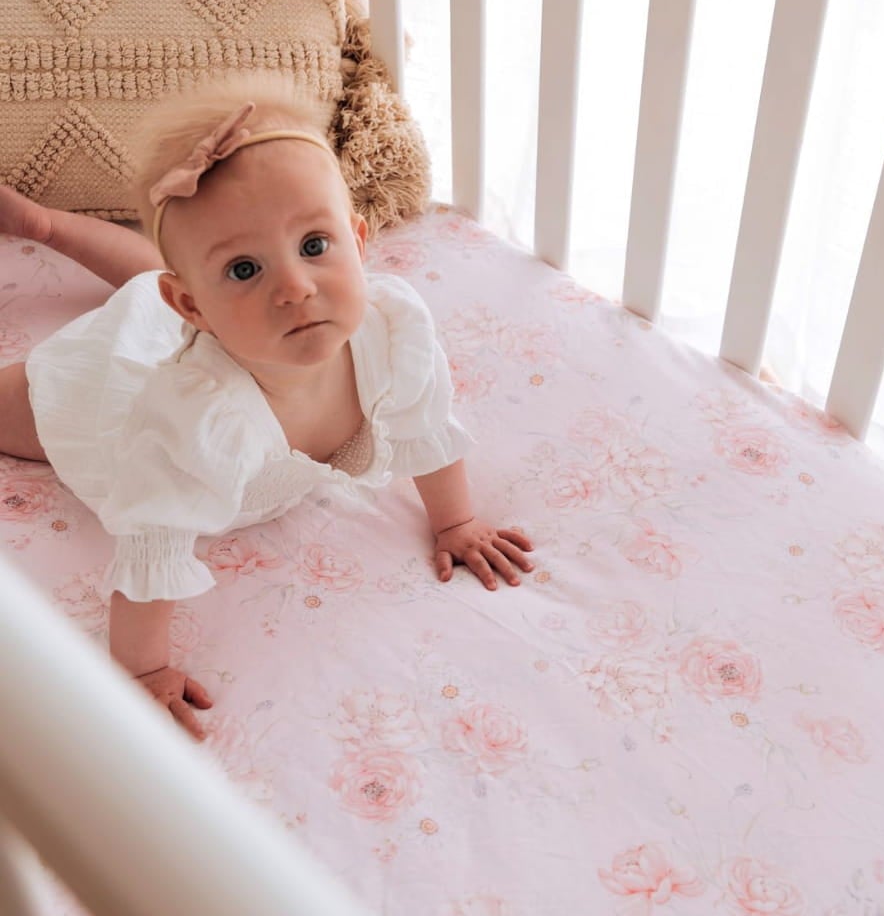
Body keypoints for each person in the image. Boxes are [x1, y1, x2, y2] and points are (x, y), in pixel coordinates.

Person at [0, 94, 533, 738]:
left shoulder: (393, 329)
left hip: (199, 320)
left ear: (359, 241)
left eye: (314, 244)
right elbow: (154, 540)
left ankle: (50, 228)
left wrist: (457, 521)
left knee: (155, 287)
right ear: (191, 308)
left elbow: (425, 423)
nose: (295, 287)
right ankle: (54, 234)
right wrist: (141, 673)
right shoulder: (191, 422)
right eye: (245, 268)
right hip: (113, 393)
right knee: (97, 342)